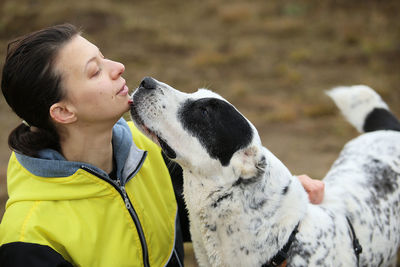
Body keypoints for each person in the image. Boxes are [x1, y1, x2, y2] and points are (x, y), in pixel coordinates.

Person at [0, 24, 324, 266]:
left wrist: (278, 197)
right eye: (95, 70)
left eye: (103, 57)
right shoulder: (28, 240)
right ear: (63, 112)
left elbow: (212, 205)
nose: (118, 68)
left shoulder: (152, 149)